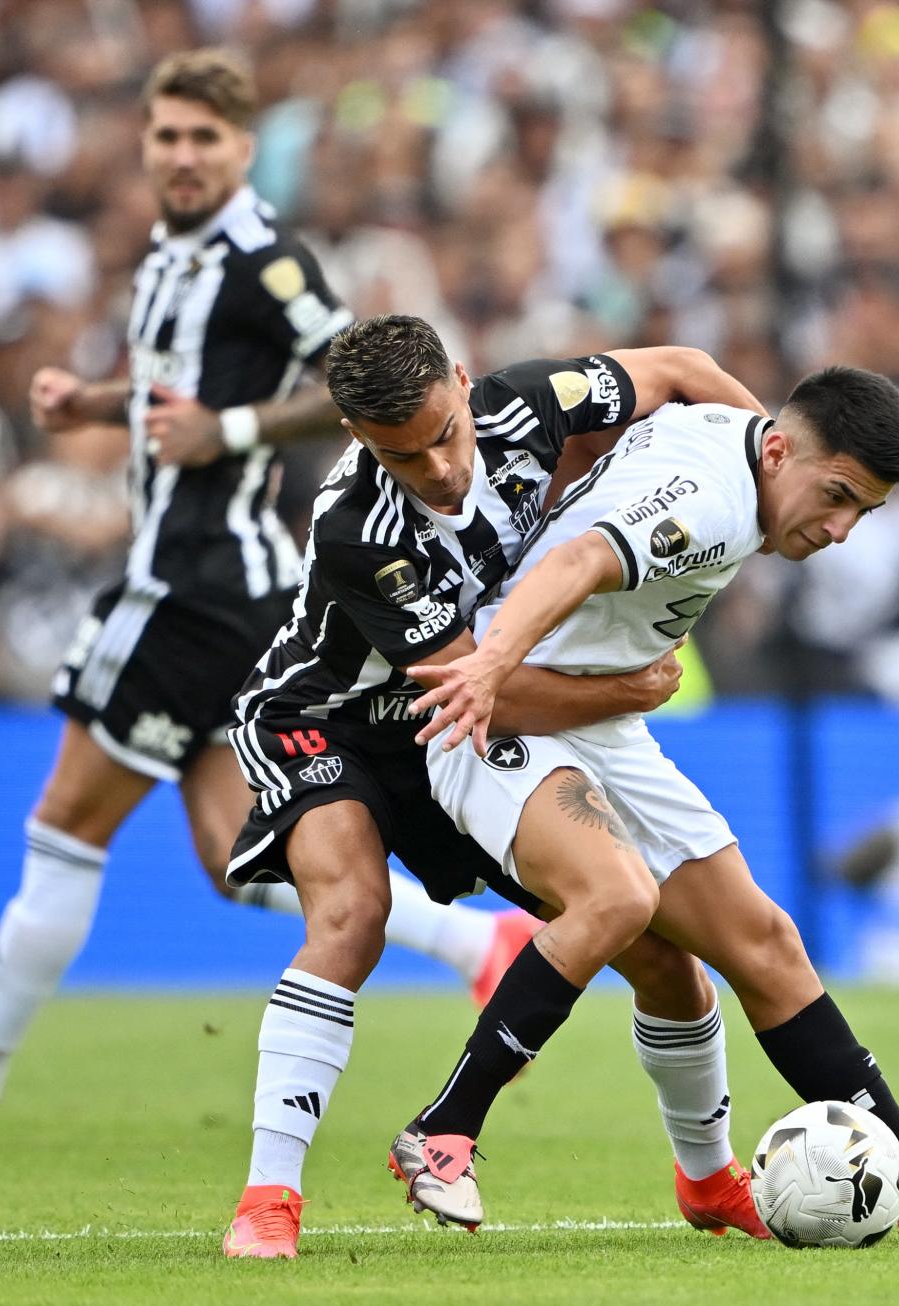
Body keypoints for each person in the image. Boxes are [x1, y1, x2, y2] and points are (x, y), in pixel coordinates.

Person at [0, 50, 535, 1147]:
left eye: (206, 139)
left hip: (188, 584)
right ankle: (471, 946)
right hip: (224, 592)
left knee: (65, 821)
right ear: (146, 145)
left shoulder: (261, 258)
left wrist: (232, 434)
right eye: (167, 137)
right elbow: (188, 393)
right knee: (231, 851)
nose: (185, 156)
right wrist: (98, 403)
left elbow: (349, 375)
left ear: (245, 150)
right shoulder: (170, 256)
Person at [394, 364, 899, 1242]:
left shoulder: (750, 446)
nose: (842, 529)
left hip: (602, 720)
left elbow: (683, 368)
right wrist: (486, 668)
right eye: (835, 497)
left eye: (864, 510)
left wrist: (775, 434)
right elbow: (582, 558)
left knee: (763, 944)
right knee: (617, 896)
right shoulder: (709, 504)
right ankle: (444, 1133)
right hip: (505, 714)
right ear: (780, 452)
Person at [218, 315, 774, 1258]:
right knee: (352, 917)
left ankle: (711, 1180)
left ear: (465, 384)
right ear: (358, 440)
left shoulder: (529, 404)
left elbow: (683, 367)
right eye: (402, 455)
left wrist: (767, 478)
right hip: (328, 718)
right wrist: (624, 689)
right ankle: (269, 1199)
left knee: (657, 952)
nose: (436, 467)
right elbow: (489, 690)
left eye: (445, 432)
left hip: (454, 722)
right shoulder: (358, 526)